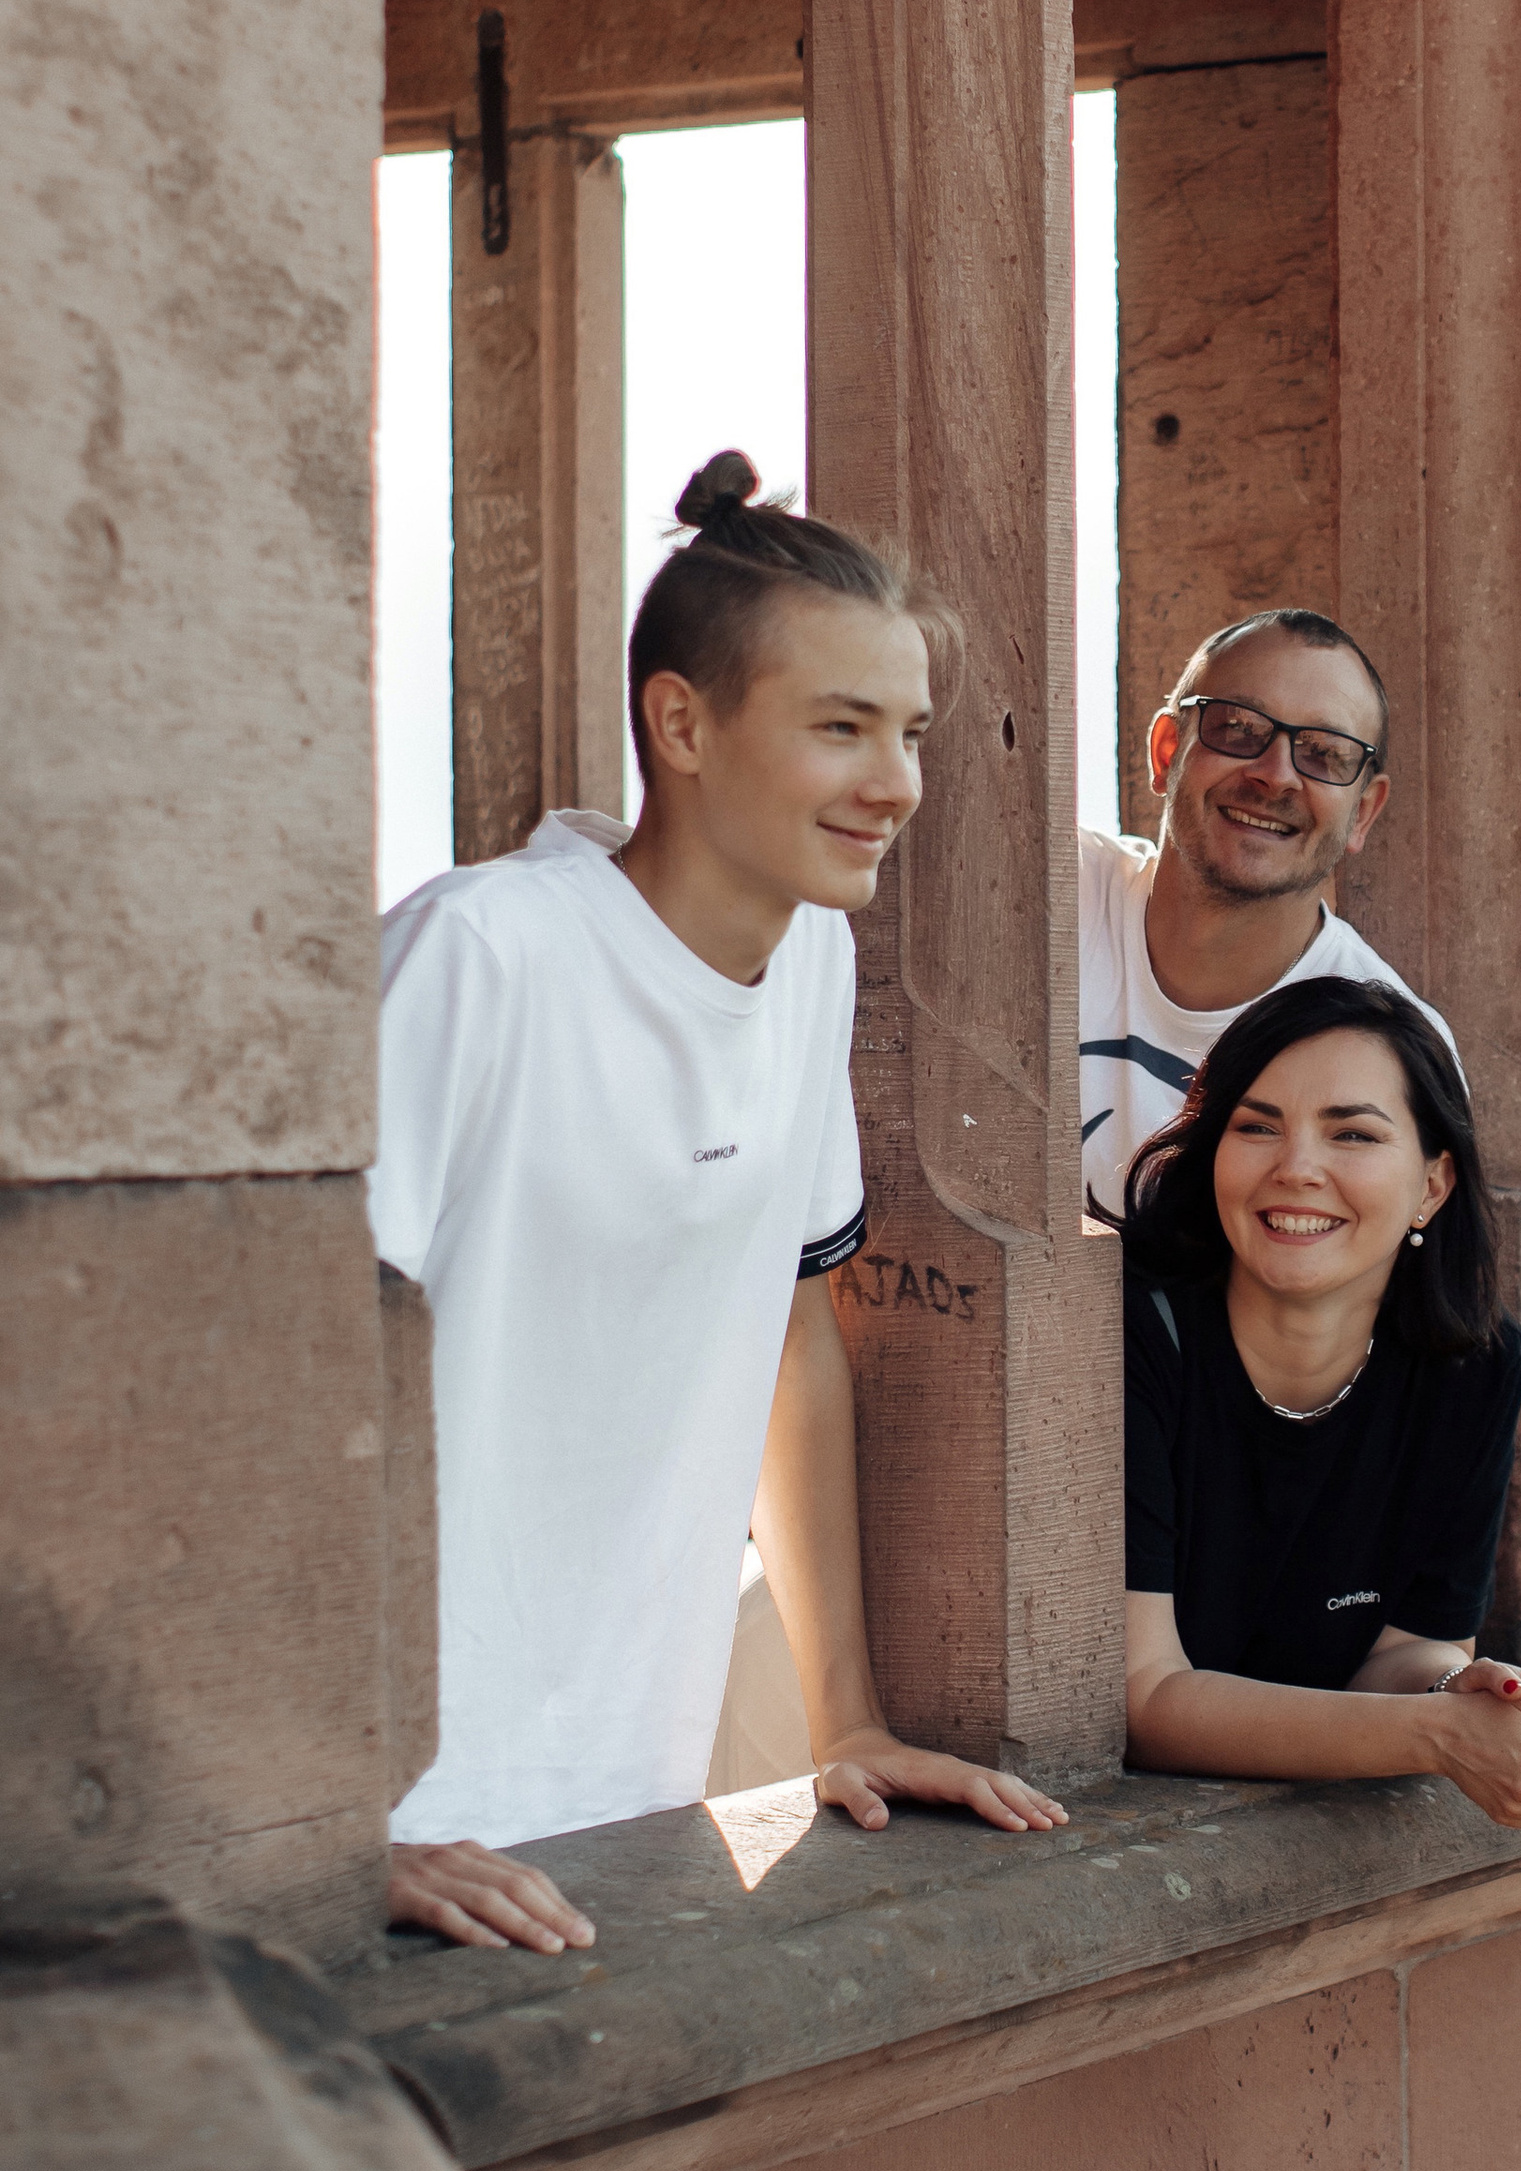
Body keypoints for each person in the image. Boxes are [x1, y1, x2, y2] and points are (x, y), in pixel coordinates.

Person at [373, 451, 1070, 1955]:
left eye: (909, 733)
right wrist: (323, 1828)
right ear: (680, 721)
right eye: (841, 728)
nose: (896, 785)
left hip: (626, 1791)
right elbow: (275, 1399)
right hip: (416, 1818)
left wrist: (847, 1721)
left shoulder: (812, 958)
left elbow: (790, 1341)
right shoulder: (480, 959)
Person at [1118, 974, 1521, 1838]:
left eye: (1352, 1134)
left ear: (1432, 1186)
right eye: (1256, 1126)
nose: (1296, 1169)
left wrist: (1472, 1697)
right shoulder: (1133, 1332)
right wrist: (1435, 1735)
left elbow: (1406, 1651)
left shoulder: (1470, 1365)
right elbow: (1146, 1697)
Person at [1080, 607, 1455, 1217]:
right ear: (1167, 749)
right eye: (1238, 728)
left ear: (1363, 812)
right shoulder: (1043, 899)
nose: (1275, 775)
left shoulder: (1395, 1054)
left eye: (1325, 754)